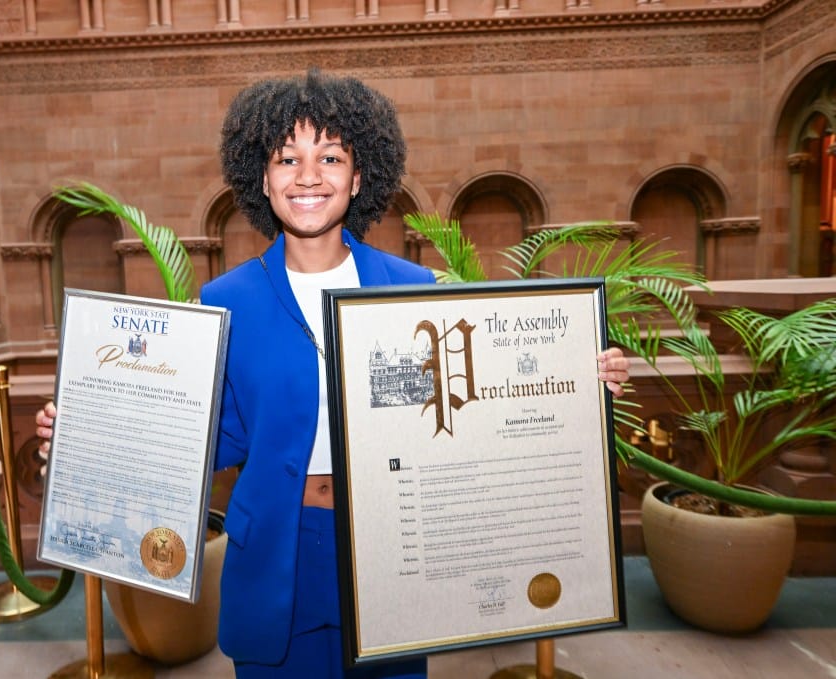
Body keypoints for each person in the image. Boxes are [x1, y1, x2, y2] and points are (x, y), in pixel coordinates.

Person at [36, 68, 631, 678]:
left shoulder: (411, 288)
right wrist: (90, 432)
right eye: (287, 158)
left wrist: (580, 379)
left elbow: (480, 406)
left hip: (388, 548)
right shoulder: (226, 301)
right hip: (273, 547)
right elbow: (214, 438)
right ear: (261, 180)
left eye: (331, 157)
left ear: (359, 175)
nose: (309, 176)